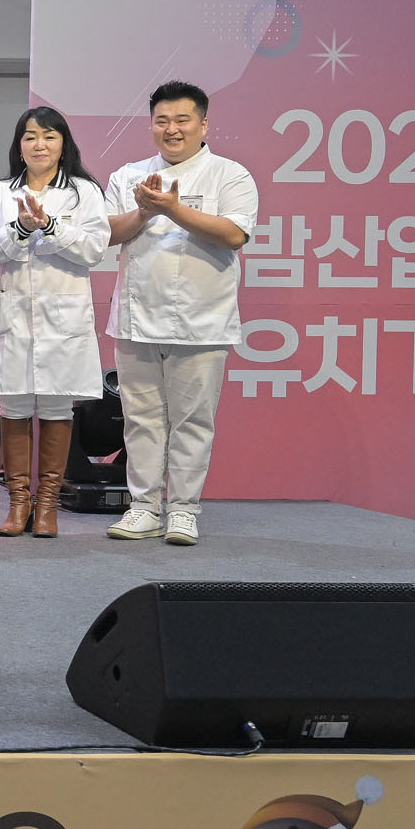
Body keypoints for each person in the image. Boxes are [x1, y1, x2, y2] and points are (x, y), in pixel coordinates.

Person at [103, 82, 258, 546]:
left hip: (202, 319)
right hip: (137, 316)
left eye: (182, 120)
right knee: (141, 418)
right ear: (152, 125)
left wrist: (172, 209)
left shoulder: (230, 175)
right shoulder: (128, 175)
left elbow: (234, 234)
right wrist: (144, 212)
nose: (172, 129)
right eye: (162, 121)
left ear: (203, 125)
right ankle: (143, 507)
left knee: (193, 421)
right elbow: (109, 232)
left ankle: (184, 510)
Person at [0, 106, 110, 537]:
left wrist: (51, 225)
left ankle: (49, 506)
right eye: (30, 136)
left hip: (63, 316)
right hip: (13, 312)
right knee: (13, 405)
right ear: (19, 145)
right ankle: (19, 504)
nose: (39, 144)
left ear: (63, 144)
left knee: (56, 405)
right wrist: (20, 228)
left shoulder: (84, 192)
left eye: (49, 136)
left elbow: (93, 250)